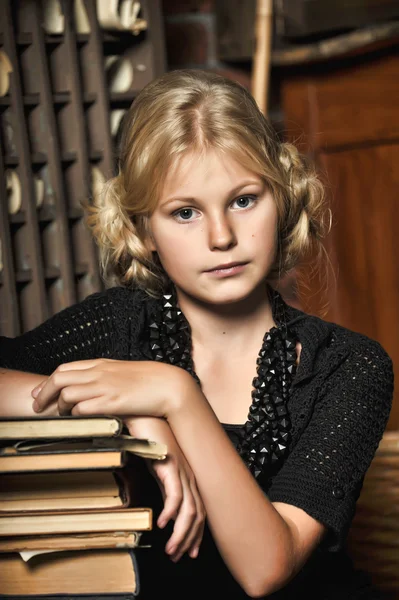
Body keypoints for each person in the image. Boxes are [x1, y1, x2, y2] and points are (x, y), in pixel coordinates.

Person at [0, 69, 394, 599]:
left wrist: (175, 396)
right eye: (185, 212)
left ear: (282, 198)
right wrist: (123, 417)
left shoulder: (348, 366)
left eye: (244, 200)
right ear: (143, 230)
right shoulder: (118, 324)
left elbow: (265, 571)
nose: (221, 237)